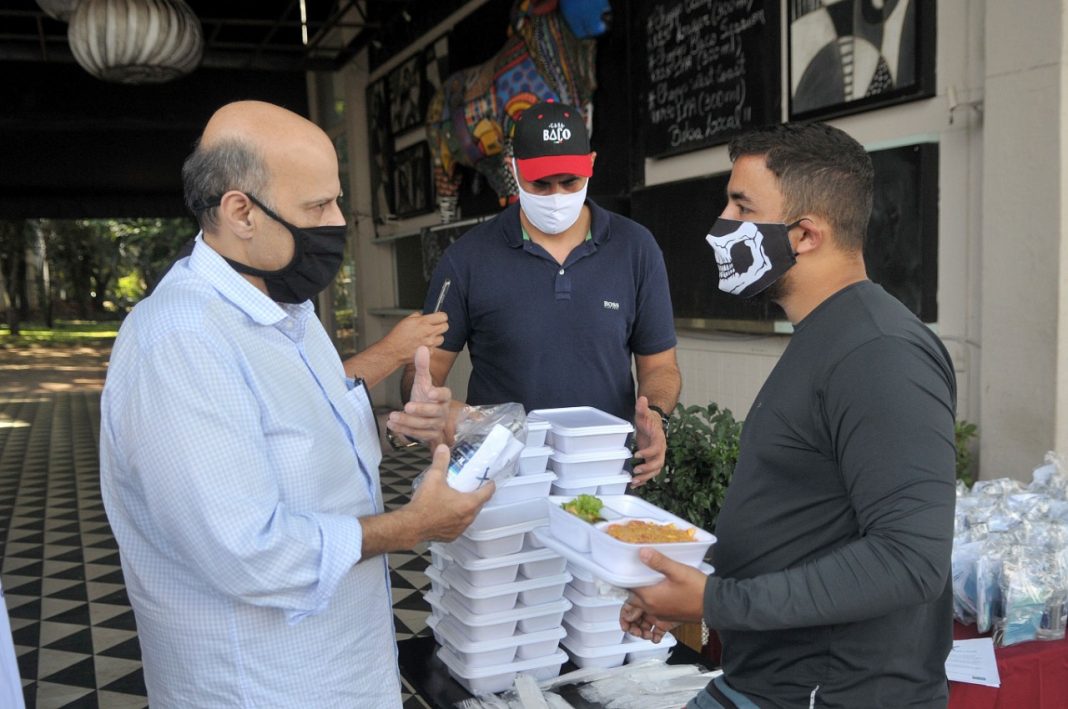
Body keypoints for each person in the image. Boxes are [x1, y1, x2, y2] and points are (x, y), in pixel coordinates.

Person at [99, 100, 495, 708]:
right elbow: (248, 552)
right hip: (260, 683)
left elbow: (299, 416)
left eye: (336, 201)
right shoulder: (180, 342)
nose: (337, 222)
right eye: (318, 207)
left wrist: (404, 420)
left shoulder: (289, 308)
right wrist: (415, 526)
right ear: (240, 212)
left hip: (343, 664)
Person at [620, 123, 957, 708]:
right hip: (767, 683)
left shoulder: (880, 353)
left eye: (741, 207)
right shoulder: (827, 334)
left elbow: (910, 559)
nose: (720, 224)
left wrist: (713, 601)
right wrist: (684, 587)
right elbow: (803, 518)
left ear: (804, 234)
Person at [401, 100, 681, 485]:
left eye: (570, 182)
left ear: (592, 164)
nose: (556, 197)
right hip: (500, 478)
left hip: (603, 475)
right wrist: (432, 404)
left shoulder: (636, 248)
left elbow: (660, 366)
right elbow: (426, 368)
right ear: (514, 170)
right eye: (540, 183)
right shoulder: (466, 258)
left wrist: (656, 416)